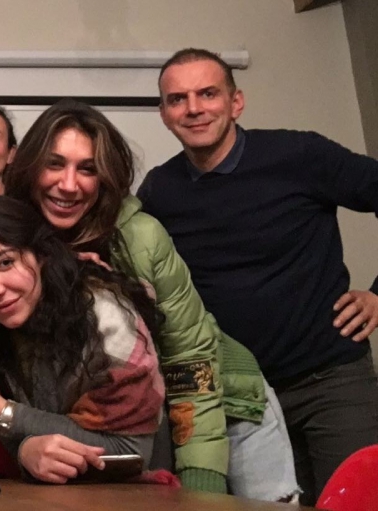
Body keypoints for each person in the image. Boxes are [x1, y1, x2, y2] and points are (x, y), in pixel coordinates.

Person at [0, 100, 300, 502]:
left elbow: (190, 363)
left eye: (87, 168)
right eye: (55, 165)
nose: (69, 184)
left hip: (223, 404)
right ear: (30, 168)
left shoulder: (138, 238)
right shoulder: (19, 236)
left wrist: (199, 485)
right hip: (131, 422)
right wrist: (32, 246)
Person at [139, 47, 378, 504]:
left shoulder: (301, 155)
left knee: (356, 502)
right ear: (164, 114)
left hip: (330, 382)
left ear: (236, 102)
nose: (194, 108)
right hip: (237, 399)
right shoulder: (160, 190)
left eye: (208, 93)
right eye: (178, 99)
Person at [0, 195, 165, 484]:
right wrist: (24, 451)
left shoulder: (104, 318)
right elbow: (34, 448)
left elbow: (131, 453)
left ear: (41, 255)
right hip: (53, 495)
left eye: (6, 262)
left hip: (135, 495)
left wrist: (3, 413)